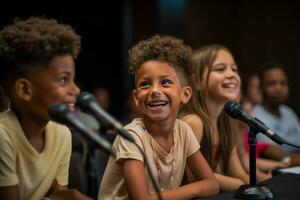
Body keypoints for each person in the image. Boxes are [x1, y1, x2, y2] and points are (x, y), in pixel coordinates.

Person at [98, 35, 219, 200]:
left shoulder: (183, 130)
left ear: (185, 94)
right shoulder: (131, 136)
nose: (154, 90)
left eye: (165, 82)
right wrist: (194, 189)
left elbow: (212, 184)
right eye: (145, 84)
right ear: (136, 98)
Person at [0, 17, 91, 200]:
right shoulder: (3, 136)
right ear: (25, 90)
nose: (76, 90)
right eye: (63, 79)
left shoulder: (62, 133)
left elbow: (56, 192)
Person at [179, 44, 250, 192]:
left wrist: (261, 187)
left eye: (234, 69)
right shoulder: (193, 122)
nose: (231, 74)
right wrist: (241, 185)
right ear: (197, 81)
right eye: (220, 69)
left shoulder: (226, 121)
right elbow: (192, 178)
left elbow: (238, 173)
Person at [253, 62, 300, 166]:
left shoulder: (289, 112)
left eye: (283, 83)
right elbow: (281, 157)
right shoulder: (254, 116)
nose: (278, 88)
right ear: (261, 88)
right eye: (271, 83)